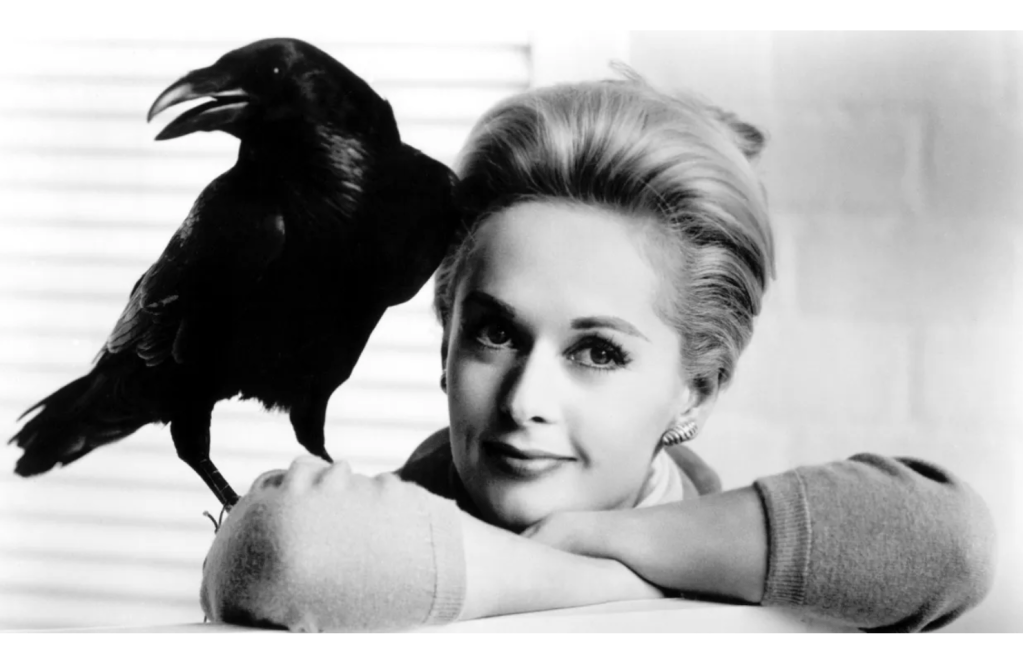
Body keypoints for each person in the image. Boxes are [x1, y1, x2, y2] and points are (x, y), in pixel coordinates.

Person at [197, 73, 997, 633]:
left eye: (598, 352)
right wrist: (601, 583)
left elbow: (948, 545)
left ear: (695, 389)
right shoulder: (364, 533)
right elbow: (285, 546)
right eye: (495, 332)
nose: (523, 400)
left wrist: (615, 538)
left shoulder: (712, 528)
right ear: (444, 341)